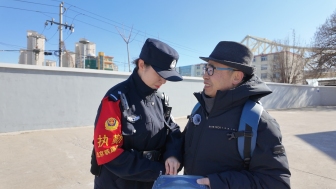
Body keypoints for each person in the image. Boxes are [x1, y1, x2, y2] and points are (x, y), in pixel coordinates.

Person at [182, 41, 291, 188]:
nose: (204, 76)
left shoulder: (259, 121)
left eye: (211, 69)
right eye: (206, 68)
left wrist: (217, 184)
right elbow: (183, 144)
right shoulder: (200, 109)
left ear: (236, 77)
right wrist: (173, 155)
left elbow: (276, 182)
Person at [90, 38, 183, 189]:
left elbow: (173, 130)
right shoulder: (116, 99)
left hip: (152, 182)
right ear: (141, 65)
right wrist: (158, 171)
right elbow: (109, 152)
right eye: (160, 74)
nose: (163, 81)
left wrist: (172, 155)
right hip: (118, 183)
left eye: (166, 76)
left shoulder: (160, 99)